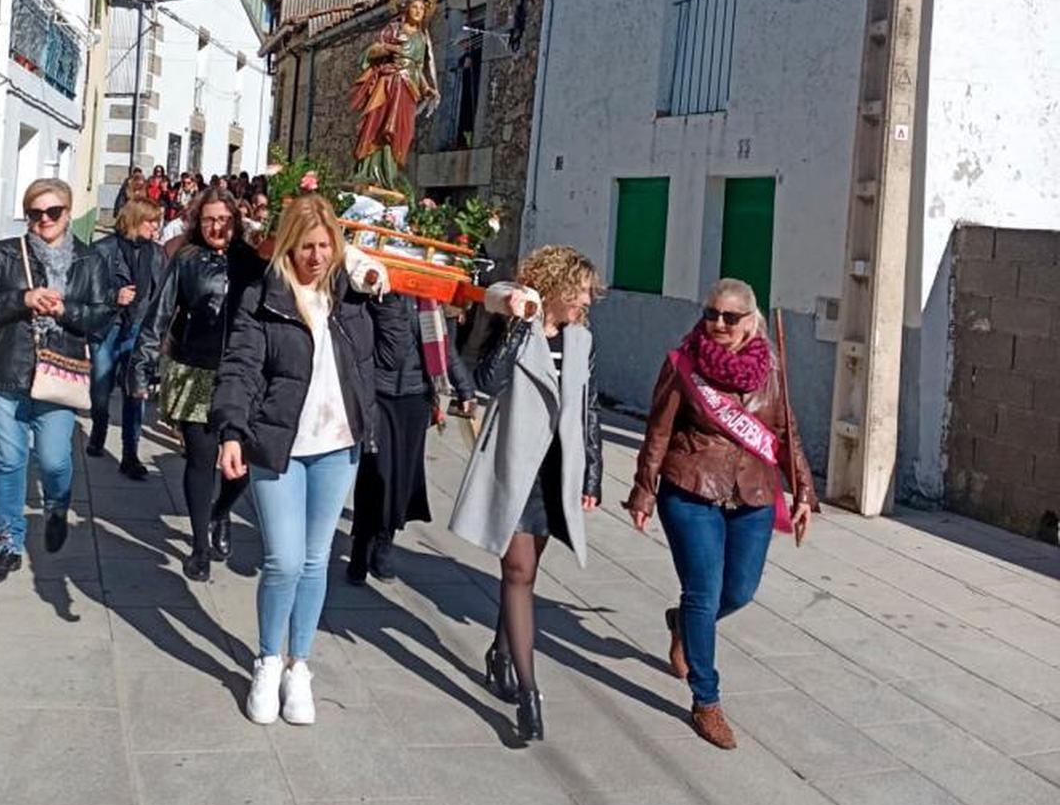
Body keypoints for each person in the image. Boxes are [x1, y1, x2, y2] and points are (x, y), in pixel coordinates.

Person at [213, 195, 403, 727]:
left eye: (325, 246)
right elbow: (241, 366)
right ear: (288, 246)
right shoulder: (264, 295)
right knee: (285, 560)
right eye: (306, 246)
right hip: (279, 446)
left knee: (317, 559)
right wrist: (231, 430)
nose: (316, 257)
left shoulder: (351, 298)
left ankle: (301, 665)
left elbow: (392, 357)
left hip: (337, 447)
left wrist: (384, 292)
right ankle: (268, 661)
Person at [625, 278, 816, 750]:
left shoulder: (771, 367)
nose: (719, 324)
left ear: (751, 320)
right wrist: (643, 492)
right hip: (692, 491)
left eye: (730, 317)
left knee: (740, 592)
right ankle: (706, 700)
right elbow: (658, 432)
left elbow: (786, 431)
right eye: (712, 313)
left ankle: (682, 623)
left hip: (751, 494)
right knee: (704, 593)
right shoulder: (682, 364)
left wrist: (804, 493)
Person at [449, 246, 604, 743]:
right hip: (515, 466)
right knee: (517, 573)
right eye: (580, 291)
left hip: (555, 473)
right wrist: (516, 328)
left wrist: (593, 476)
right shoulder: (521, 326)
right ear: (555, 288)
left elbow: (589, 409)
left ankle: (500, 653)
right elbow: (488, 380)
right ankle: (530, 694)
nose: (586, 301)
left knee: (527, 573)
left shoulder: (582, 340)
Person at [0, 178, 115, 583]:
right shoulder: (6, 254)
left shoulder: (89, 261)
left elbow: (101, 314)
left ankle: (57, 506)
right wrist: (23, 299)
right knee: (9, 461)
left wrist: (64, 309)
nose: (43, 220)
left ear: (67, 214)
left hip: (60, 371)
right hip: (7, 370)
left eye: (52, 212)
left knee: (53, 458)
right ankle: (8, 541)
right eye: (35, 213)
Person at [129, 187, 264, 579]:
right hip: (194, 370)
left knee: (242, 467)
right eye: (208, 219)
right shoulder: (186, 260)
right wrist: (142, 365)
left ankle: (221, 512)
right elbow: (159, 314)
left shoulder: (252, 263)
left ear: (235, 222)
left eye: (223, 219)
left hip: (243, 376)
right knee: (201, 460)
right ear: (196, 221)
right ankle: (199, 545)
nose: (216, 226)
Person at [348, 296, 475, 584]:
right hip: (379, 394)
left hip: (416, 397)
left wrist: (465, 388)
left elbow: (445, 348)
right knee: (375, 474)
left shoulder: (432, 300)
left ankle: (384, 542)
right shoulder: (378, 291)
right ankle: (360, 546)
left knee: (402, 478)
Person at [87, 198, 165, 477]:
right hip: (107, 327)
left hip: (138, 328)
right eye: (150, 220)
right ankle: (99, 426)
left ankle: (130, 454)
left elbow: (161, 296)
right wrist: (113, 298)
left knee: (136, 392)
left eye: (158, 220)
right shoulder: (102, 251)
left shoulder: (157, 254)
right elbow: (86, 293)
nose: (156, 226)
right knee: (100, 387)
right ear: (134, 220)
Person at [349, 0, 440, 188]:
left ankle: (387, 175)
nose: (418, 11)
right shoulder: (393, 29)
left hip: (408, 89)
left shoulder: (422, 39)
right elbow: (370, 53)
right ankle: (367, 172)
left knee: (399, 133)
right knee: (376, 125)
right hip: (388, 85)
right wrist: (389, 48)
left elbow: (418, 69)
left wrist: (426, 89)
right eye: (414, 7)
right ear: (405, 9)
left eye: (421, 9)